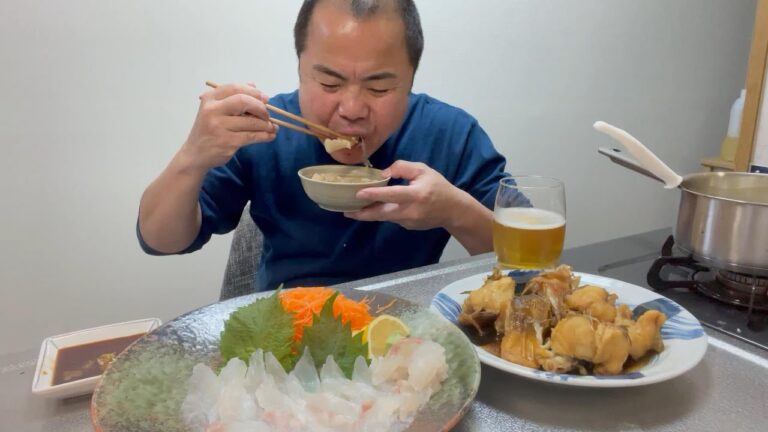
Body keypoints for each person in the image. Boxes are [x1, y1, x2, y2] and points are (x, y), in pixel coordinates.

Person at [137, 0, 510, 291]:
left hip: (403, 336)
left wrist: (453, 211)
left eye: (379, 87)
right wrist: (193, 156)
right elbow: (161, 240)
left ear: (411, 79)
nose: (351, 109)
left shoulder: (451, 134)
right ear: (301, 68)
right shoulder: (264, 128)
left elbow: (528, 260)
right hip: (285, 331)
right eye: (329, 84)